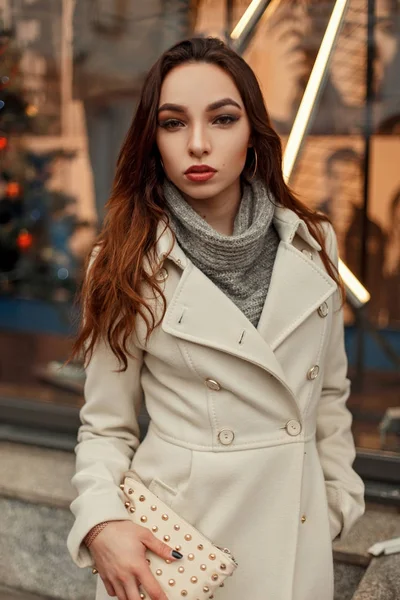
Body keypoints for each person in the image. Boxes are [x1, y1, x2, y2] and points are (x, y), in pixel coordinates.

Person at [66, 37, 365, 600]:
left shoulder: (312, 243)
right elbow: (106, 425)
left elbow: (328, 393)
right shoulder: (124, 261)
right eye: (174, 123)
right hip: (178, 555)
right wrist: (104, 523)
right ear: (152, 140)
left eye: (222, 119)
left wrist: (335, 503)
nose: (198, 144)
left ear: (252, 131)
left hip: (295, 541)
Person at [318, 147, 386, 324]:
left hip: (361, 323)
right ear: (327, 179)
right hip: (318, 318)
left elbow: (378, 279)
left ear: (359, 182)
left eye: (349, 178)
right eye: (336, 177)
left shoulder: (371, 230)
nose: (342, 185)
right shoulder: (310, 224)